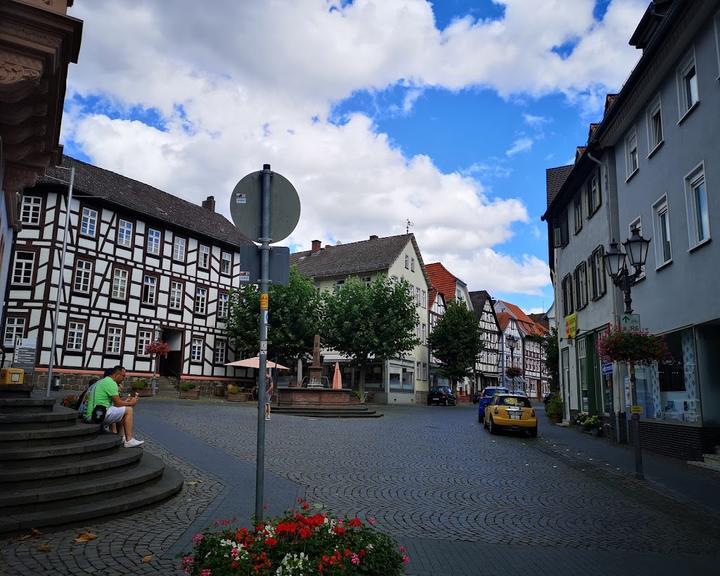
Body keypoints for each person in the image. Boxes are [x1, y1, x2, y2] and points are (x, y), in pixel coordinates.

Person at [84, 365, 144, 448]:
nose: (124, 378)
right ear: (117, 375)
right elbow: (118, 403)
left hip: (94, 413)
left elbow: (115, 404)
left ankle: (120, 437)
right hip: (96, 416)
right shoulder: (111, 383)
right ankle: (129, 440)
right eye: (123, 376)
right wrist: (131, 403)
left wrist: (125, 402)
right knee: (129, 410)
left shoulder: (103, 381)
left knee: (122, 411)